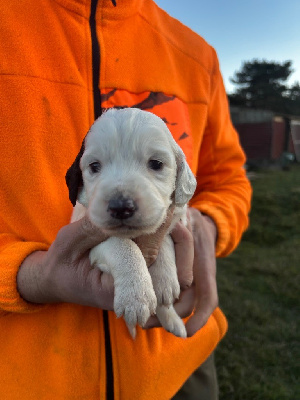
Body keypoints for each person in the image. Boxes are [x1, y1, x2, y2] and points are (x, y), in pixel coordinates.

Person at [0, 0, 251, 399]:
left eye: (155, 163)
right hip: (28, 374)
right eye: (94, 167)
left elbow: (229, 179)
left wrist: (209, 224)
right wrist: (29, 275)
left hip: (178, 354)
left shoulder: (196, 55)